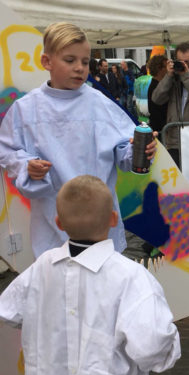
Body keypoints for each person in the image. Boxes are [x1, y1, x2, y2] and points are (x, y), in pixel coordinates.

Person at [0, 175, 181, 375]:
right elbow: (153, 349)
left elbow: (9, 311)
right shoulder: (132, 278)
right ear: (114, 219)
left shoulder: (41, 268)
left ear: (58, 223)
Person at [0, 22, 156, 258]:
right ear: (47, 62)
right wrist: (26, 165)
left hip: (99, 219)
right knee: (59, 283)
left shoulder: (100, 104)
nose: (79, 68)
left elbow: (123, 152)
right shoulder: (26, 109)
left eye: (85, 62)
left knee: (101, 285)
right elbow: (7, 151)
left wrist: (137, 151)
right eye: (70, 60)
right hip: (51, 220)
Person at [147, 55, 168, 132]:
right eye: (166, 67)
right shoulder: (156, 87)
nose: (168, 70)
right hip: (160, 129)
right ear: (159, 68)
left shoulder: (156, 84)